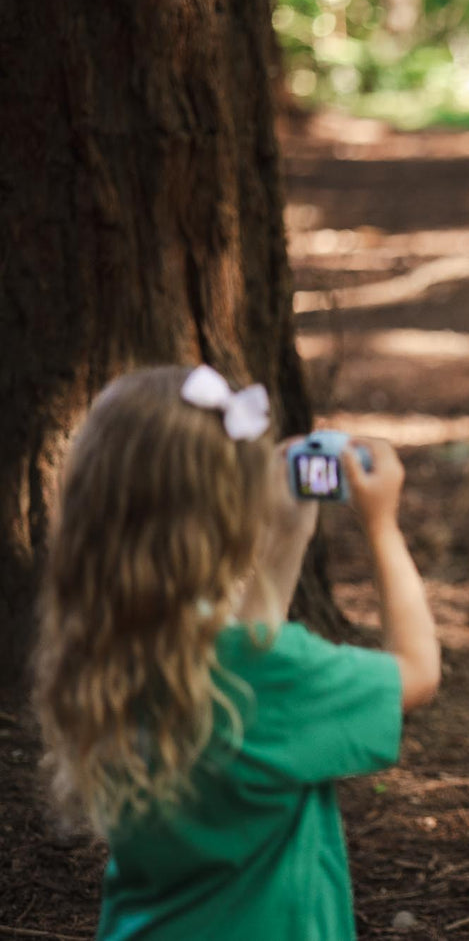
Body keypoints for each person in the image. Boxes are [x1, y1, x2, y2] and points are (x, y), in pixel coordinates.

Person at [31, 364, 441, 940]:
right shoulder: (264, 673)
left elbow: (245, 650)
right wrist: (383, 527)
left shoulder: (105, 649)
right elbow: (418, 675)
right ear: (228, 517)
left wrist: (287, 535)